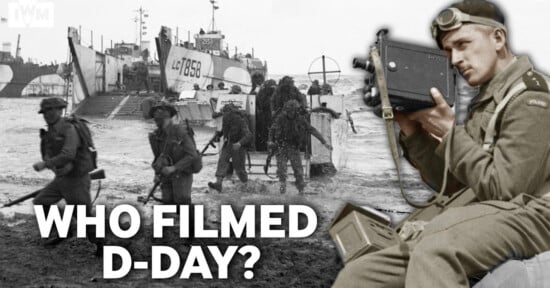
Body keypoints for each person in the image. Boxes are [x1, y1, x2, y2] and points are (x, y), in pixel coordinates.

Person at [333, 1, 550, 287]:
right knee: (361, 275)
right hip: (486, 213)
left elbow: (506, 189)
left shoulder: (531, 97)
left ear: (498, 38)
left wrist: (450, 133)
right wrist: (413, 131)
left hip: (534, 215)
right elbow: (452, 183)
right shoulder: (488, 99)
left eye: (463, 44)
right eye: (448, 50)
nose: (455, 59)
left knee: (436, 249)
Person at [32, 97, 102, 253]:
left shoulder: (69, 128)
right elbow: (49, 153)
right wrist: (53, 167)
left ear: (59, 110)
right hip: (62, 179)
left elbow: (68, 154)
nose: (48, 114)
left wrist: (45, 165)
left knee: (83, 214)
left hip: (77, 179)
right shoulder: (50, 131)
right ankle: (64, 230)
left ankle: (101, 245)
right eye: (45, 111)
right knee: (41, 201)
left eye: (51, 110)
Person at [268, 100, 332, 194]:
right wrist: (270, 141)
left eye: (292, 111)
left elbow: (311, 130)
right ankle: (282, 187)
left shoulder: (300, 119)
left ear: (295, 111)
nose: (290, 113)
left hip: (294, 147)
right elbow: (272, 130)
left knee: (298, 171)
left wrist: (324, 142)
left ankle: (301, 190)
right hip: (281, 147)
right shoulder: (280, 118)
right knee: (282, 170)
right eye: (289, 111)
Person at [148, 102, 198, 209]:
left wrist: (174, 168)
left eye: (162, 119)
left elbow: (192, 155)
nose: (159, 123)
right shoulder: (155, 136)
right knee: (167, 202)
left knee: (182, 202)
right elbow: (157, 157)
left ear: (169, 118)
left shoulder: (180, 132)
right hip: (165, 173)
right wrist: (156, 174)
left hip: (182, 172)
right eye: (156, 120)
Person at [208, 104, 252, 192]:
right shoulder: (226, 119)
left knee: (239, 169)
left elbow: (248, 135)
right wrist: (216, 137)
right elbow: (224, 131)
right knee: (222, 162)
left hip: (238, 147)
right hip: (228, 145)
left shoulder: (240, 120)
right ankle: (218, 183)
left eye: (225, 113)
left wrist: (239, 143)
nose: (224, 115)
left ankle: (246, 186)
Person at [255, 79, 277, 151]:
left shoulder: (262, 92)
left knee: (266, 132)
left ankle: (267, 147)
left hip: (266, 116)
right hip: (268, 116)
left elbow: (259, 103)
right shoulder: (273, 93)